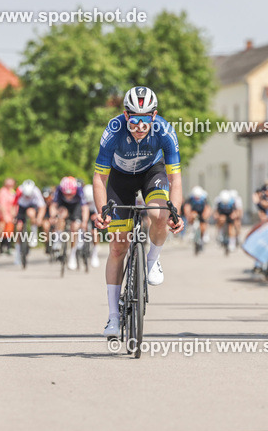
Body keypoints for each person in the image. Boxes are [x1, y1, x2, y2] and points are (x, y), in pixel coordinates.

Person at [92, 86, 182, 338]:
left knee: (160, 215)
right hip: (119, 180)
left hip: (151, 173)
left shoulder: (164, 130)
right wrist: (102, 211)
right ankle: (113, 317)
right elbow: (100, 177)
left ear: (154, 116)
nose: (140, 125)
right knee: (118, 248)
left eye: (145, 118)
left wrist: (176, 213)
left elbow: (175, 178)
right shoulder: (113, 130)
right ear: (125, 115)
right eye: (134, 118)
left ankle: (152, 259)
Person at [53, 176, 90, 270]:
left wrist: (84, 222)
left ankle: (72, 255)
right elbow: (53, 206)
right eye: (66, 194)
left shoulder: (79, 189)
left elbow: (85, 208)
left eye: (70, 195)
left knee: (75, 227)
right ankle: (58, 239)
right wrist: (53, 217)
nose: (68, 197)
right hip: (64, 206)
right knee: (60, 217)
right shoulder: (59, 189)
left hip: (76, 207)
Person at [12, 179, 46, 262]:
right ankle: (17, 252)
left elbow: (42, 207)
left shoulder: (36, 191)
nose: (27, 197)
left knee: (31, 213)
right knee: (19, 228)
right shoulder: (19, 191)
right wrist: (13, 216)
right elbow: (14, 205)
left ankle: (34, 234)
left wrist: (39, 218)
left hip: (32, 205)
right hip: (21, 206)